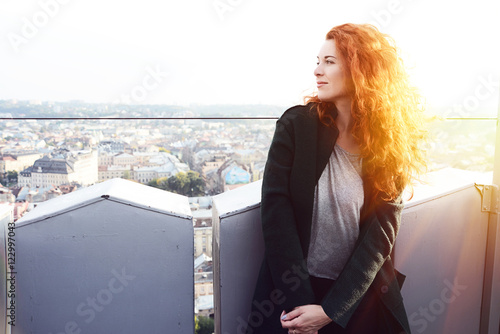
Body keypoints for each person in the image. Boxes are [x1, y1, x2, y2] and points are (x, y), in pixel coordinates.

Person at [248, 23, 426, 334]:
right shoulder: (296, 126)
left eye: (329, 62)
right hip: (294, 296)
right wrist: (304, 311)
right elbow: (276, 215)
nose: (318, 71)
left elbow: (380, 236)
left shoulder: (391, 144)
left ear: (362, 69)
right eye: (317, 61)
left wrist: (331, 311)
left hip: (356, 299)